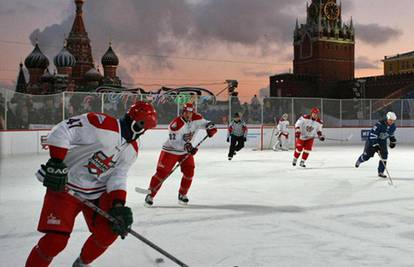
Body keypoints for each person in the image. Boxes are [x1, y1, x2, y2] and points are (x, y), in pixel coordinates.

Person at [25, 101, 157, 267]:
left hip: (96, 192)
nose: (144, 132)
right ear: (138, 123)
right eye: (145, 127)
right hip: (65, 186)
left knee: (110, 230)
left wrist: (118, 204)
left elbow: (118, 176)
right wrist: (56, 161)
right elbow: (63, 130)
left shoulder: (131, 149)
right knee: (55, 241)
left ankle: (81, 263)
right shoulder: (100, 123)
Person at [145, 103, 217, 206]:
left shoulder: (197, 118)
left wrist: (211, 128)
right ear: (182, 112)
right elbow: (174, 143)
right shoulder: (175, 125)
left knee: (189, 172)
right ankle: (150, 195)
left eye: (190, 112)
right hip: (170, 151)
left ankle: (182, 195)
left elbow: (207, 123)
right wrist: (188, 147)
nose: (188, 114)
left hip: (185, 151)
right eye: (186, 112)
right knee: (162, 173)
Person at [355, 111, 397, 178]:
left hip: (382, 142)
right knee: (366, 156)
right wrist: (375, 144)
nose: (391, 122)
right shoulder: (379, 124)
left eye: (393, 121)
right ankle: (360, 160)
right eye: (390, 120)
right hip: (372, 141)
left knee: (384, 156)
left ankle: (380, 172)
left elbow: (391, 134)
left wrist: (392, 141)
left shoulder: (393, 126)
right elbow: (372, 135)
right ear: (387, 118)